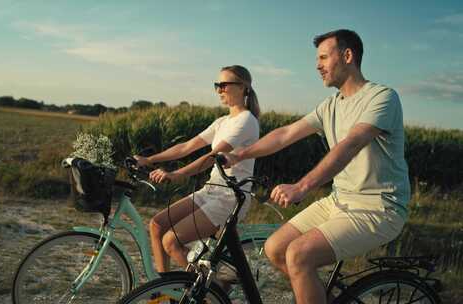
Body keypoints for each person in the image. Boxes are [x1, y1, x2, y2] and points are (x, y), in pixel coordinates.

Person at [222, 29, 409, 304]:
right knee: (275, 248)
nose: (317, 65)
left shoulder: (381, 97)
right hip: (340, 200)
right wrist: (240, 154)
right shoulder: (330, 105)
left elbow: (352, 143)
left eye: (323, 57)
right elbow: (286, 134)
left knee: (298, 255)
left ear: (347, 56)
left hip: (378, 208)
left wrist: (302, 186)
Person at [134, 65, 260, 272]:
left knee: (171, 242)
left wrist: (176, 174)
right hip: (210, 190)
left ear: (243, 87)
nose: (219, 90)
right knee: (157, 225)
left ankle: (213, 292)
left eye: (224, 85)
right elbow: (187, 146)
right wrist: (149, 160)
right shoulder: (223, 122)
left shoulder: (247, 121)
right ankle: (165, 293)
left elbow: (212, 157)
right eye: (217, 85)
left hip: (229, 197)